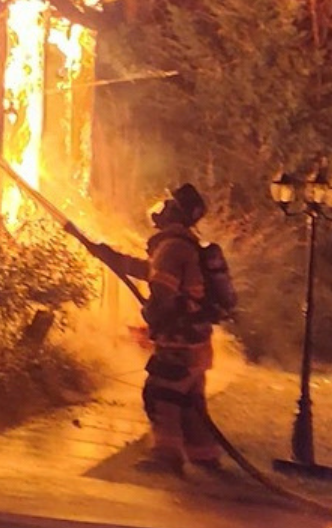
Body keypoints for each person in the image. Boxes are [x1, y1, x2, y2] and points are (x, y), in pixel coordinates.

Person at [80, 183, 228, 475]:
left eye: (168, 204)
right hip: (196, 342)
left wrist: (152, 315)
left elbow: (162, 293)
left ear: (175, 212)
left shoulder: (172, 248)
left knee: (162, 394)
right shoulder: (183, 246)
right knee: (190, 401)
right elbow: (147, 269)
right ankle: (204, 455)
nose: (161, 208)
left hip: (178, 342)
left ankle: (166, 456)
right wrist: (107, 255)